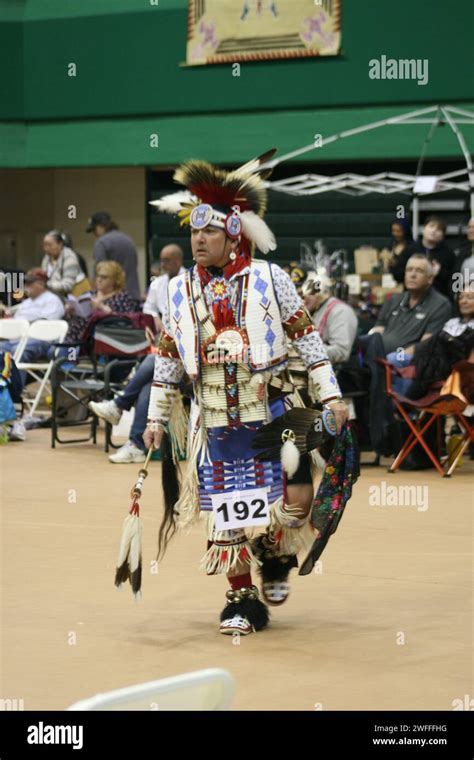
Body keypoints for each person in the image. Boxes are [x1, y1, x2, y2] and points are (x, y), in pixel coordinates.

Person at [143, 152, 349, 636]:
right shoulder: (177, 289)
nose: (198, 239)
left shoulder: (269, 279)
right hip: (214, 416)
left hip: (276, 408)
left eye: (209, 231)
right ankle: (241, 599)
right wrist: (155, 419)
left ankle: (274, 556)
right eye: (194, 232)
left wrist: (333, 397)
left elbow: (308, 340)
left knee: (295, 501)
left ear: (233, 232)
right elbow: (169, 359)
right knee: (228, 517)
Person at [65, 261, 140, 347]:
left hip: (97, 341)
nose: (99, 280)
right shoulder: (90, 294)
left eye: (104, 277)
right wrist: (71, 311)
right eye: (98, 276)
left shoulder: (122, 297)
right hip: (73, 335)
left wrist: (102, 307)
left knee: (59, 353)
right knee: (53, 349)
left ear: (115, 280)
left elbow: (125, 321)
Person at [302, 272, 358, 364]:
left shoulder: (340, 311)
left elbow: (341, 352)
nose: (303, 298)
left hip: (335, 374)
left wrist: (305, 351)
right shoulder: (316, 310)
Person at [86, 211, 140, 300]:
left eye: (94, 230)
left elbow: (100, 271)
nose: (94, 234)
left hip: (112, 300)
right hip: (132, 296)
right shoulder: (128, 240)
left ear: (101, 226)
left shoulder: (101, 243)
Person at [411, 216, 456, 299]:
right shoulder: (411, 249)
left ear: (442, 235)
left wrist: (439, 272)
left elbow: (453, 279)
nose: (434, 231)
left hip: (439, 296)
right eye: (431, 226)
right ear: (424, 229)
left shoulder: (448, 253)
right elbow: (399, 272)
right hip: (413, 295)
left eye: (439, 229)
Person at [143, 245, 185, 332]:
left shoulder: (189, 280)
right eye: (161, 261)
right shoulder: (156, 283)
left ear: (178, 261)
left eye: (166, 260)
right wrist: (155, 316)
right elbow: (148, 307)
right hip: (163, 328)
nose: (162, 265)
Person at [41, 230, 84, 299]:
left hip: (69, 298)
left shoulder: (70, 258)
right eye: (44, 245)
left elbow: (67, 285)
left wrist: (45, 285)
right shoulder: (46, 258)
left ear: (60, 244)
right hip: (51, 296)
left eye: (49, 245)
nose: (46, 248)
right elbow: (44, 278)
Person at [385, 218, 415, 284]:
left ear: (405, 231)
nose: (395, 234)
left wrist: (396, 264)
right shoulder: (391, 245)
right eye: (393, 231)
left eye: (398, 231)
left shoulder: (412, 247)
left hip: (405, 280)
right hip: (390, 281)